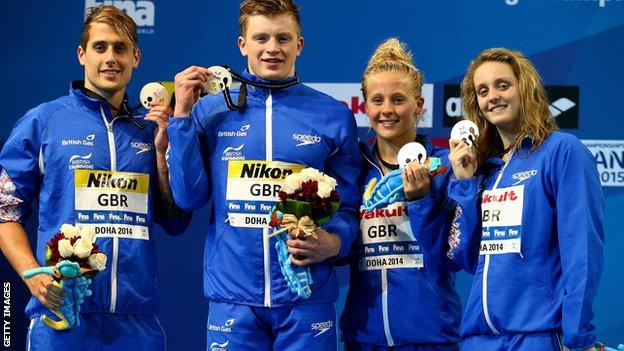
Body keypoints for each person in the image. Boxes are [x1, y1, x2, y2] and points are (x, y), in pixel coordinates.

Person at [166, 0, 360, 350]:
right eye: (261, 38)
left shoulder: (333, 115)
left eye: (283, 38)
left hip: (307, 301)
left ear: (299, 44)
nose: (273, 48)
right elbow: (188, 197)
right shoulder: (210, 111)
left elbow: (348, 208)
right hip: (234, 299)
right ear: (243, 45)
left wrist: (334, 243)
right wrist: (181, 116)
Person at [0, 5, 190, 350]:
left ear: (136, 56)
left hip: (137, 323)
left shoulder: (149, 131)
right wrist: (33, 273)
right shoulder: (43, 122)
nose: (110, 58)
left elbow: (176, 220)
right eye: (100, 47)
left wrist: (163, 154)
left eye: (120, 48)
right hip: (61, 318)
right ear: (81, 54)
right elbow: (4, 212)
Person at [447, 47, 604, 351]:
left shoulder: (561, 151)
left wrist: (577, 335)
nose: (492, 95)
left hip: (539, 334)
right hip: (478, 338)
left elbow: (582, 250)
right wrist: (465, 185)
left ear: (525, 89)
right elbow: (463, 257)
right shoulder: (484, 169)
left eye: (502, 85)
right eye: (483, 90)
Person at [340, 38, 462, 351]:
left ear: (419, 105)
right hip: (364, 337)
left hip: (429, 336)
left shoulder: (445, 167)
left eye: (398, 99)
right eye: (377, 100)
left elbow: (454, 255)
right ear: (364, 107)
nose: (387, 110)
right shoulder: (353, 170)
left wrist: (421, 202)